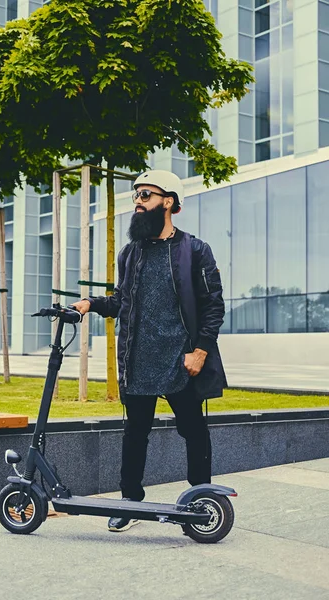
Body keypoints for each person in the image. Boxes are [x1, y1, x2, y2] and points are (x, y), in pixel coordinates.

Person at [72, 169, 227, 532]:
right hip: (138, 360)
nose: (138, 202)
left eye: (146, 195)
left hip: (181, 360)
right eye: (136, 196)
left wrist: (201, 351)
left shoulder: (195, 250)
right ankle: (129, 502)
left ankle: (202, 500)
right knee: (134, 433)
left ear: (168, 201)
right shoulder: (131, 253)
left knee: (194, 431)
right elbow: (122, 301)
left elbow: (213, 306)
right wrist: (90, 304)